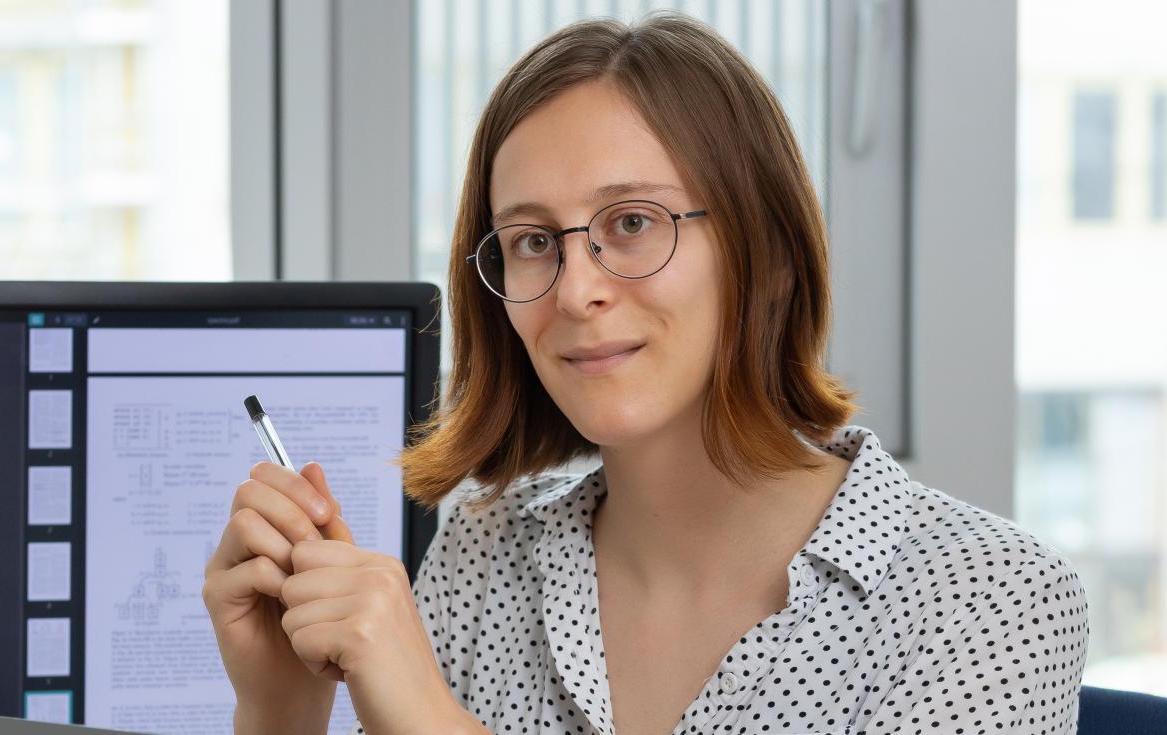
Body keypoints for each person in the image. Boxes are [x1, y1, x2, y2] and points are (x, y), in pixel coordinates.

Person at [203, 12, 1089, 735]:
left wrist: (432, 721)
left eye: (632, 222)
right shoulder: (480, 554)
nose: (577, 288)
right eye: (533, 241)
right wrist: (282, 711)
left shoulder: (990, 598)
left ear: (767, 254)